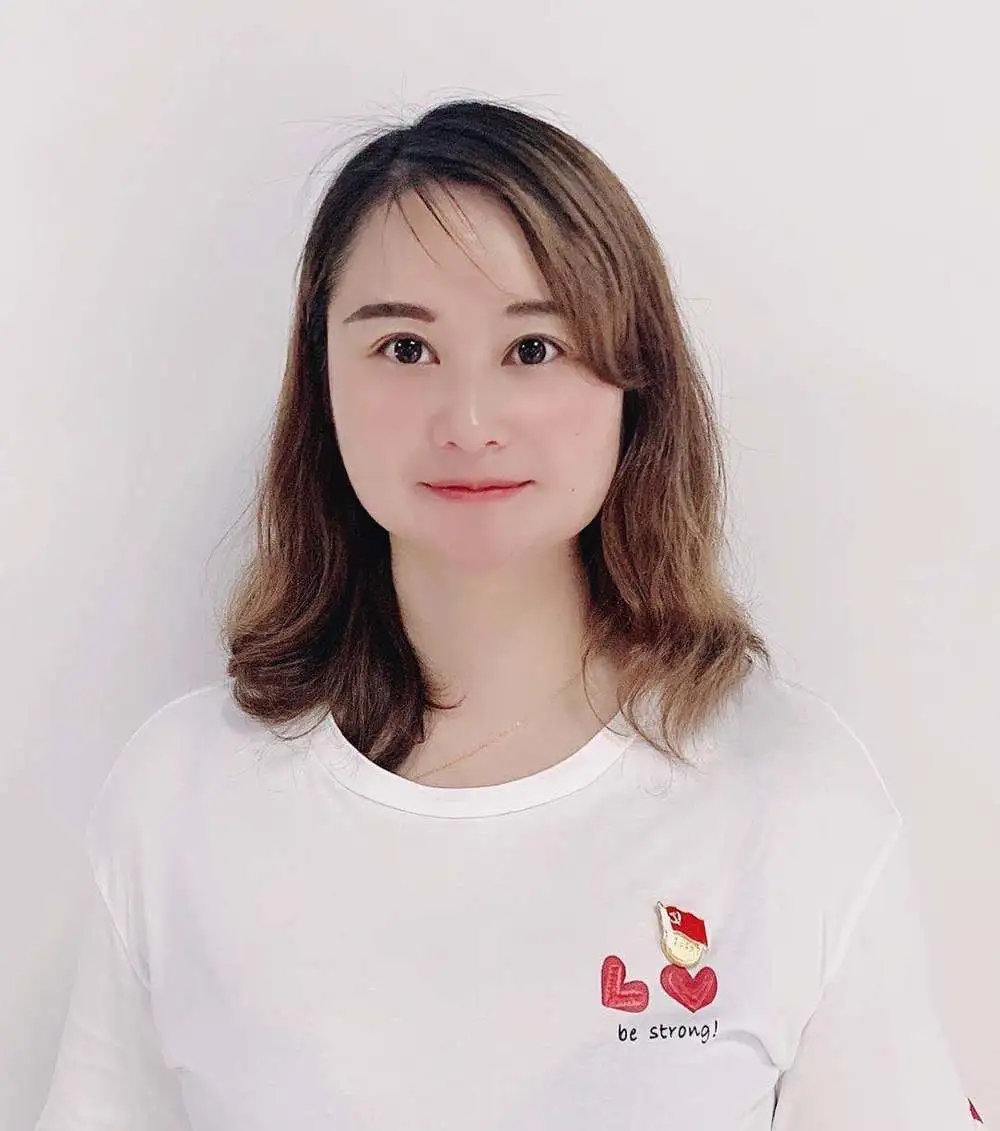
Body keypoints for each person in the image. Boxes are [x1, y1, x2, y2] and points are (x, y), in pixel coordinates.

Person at [34, 97, 985, 1131]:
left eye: (533, 349)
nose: (468, 422)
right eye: (404, 348)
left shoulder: (792, 794)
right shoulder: (179, 796)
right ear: (321, 379)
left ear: (633, 381)